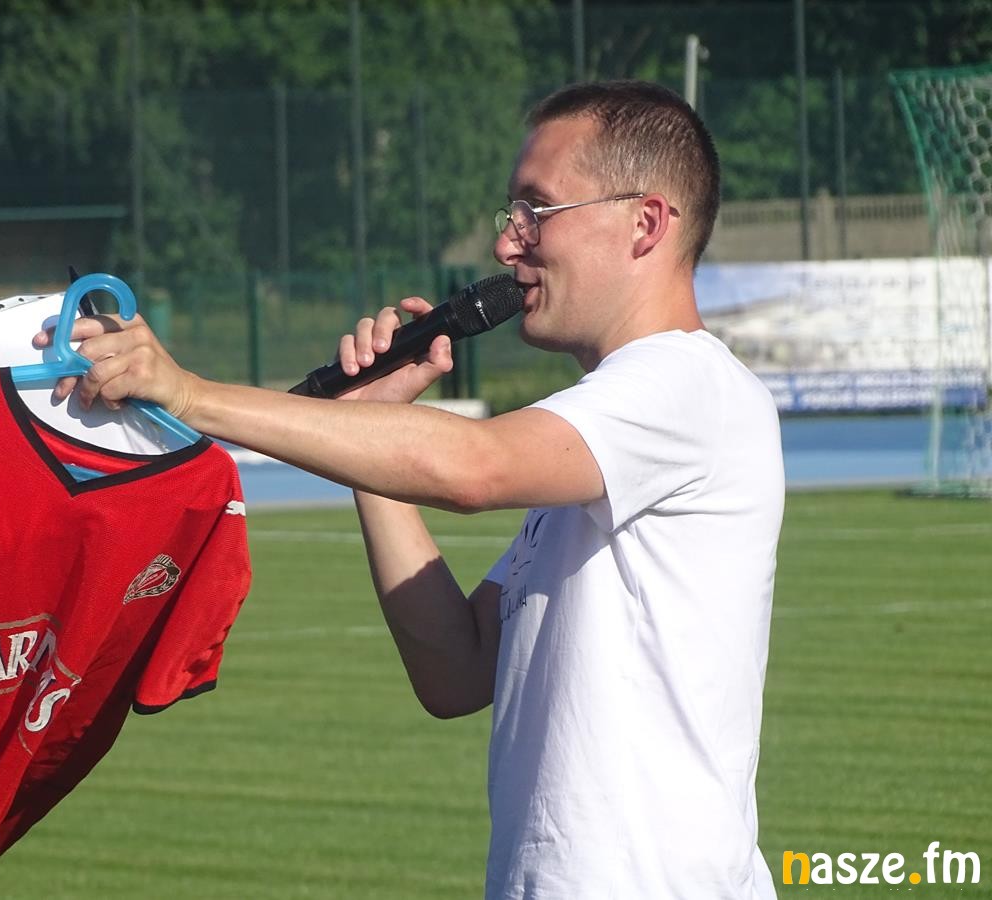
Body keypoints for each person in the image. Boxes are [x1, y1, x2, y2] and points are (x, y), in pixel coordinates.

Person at [38, 80, 784, 899]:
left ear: (646, 223)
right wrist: (371, 432)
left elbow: (476, 467)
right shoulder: (613, 428)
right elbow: (456, 673)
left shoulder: (685, 385)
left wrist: (187, 392)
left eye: (537, 211)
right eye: (513, 213)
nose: (507, 242)